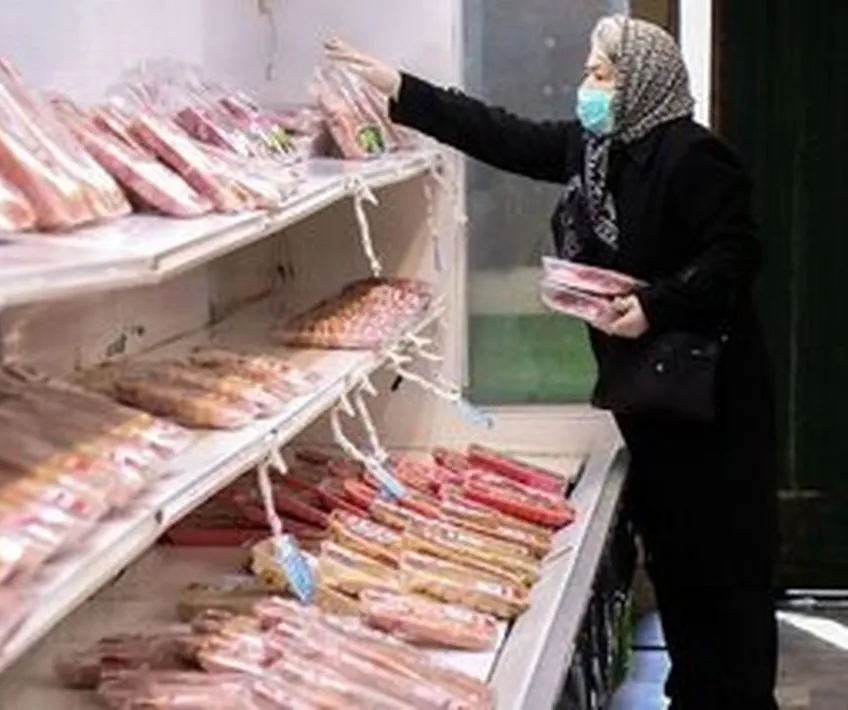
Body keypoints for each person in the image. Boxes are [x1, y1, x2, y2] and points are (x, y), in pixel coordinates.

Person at [326, 14, 779, 710]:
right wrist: (402, 90)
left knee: (726, 570)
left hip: (713, 404)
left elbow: (736, 255)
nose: (587, 84)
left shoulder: (693, 157)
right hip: (650, 400)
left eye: (602, 73)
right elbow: (503, 135)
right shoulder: (596, 150)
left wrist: (655, 305)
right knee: (678, 561)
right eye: (590, 70)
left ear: (642, 83)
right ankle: (695, 695)